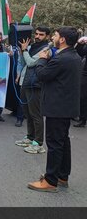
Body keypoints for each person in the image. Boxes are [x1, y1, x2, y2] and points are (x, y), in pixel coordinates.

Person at [27, 27, 81, 192]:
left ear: (62, 39)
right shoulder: (74, 56)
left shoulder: (61, 59)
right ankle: (62, 176)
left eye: (55, 36)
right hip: (66, 106)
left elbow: (42, 75)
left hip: (57, 107)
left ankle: (50, 181)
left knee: (55, 144)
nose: (53, 39)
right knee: (63, 141)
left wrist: (43, 59)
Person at [15, 27, 51, 154]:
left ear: (47, 36)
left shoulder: (46, 49)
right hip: (26, 81)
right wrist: (22, 50)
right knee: (27, 112)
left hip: (35, 84)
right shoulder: (33, 46)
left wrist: (24, 50)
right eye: (36, 34)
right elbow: (23, 61)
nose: (37, 36)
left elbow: (31, 63)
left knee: (36, 114)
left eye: (41, 34)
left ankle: (38, 143)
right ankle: (30, 137)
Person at [74, 35, 87, 127]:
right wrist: (79, 44)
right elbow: (81, 52)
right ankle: (82, 118)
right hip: (84, 73)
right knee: (82, 97)